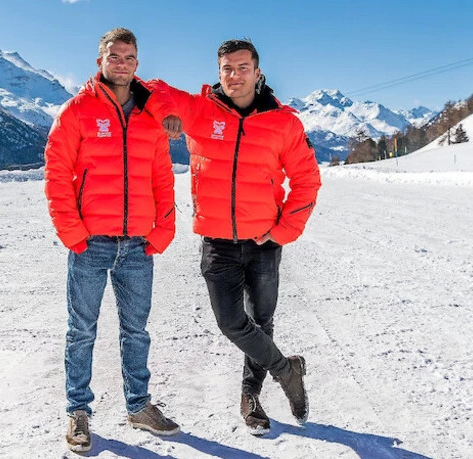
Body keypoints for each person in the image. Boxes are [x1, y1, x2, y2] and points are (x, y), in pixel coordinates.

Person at [150, 39, 321, 436]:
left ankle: (251, 396)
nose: (234, 75)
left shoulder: (284, 122)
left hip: (264, 242)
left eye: (243, 67)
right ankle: (287, 370)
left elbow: (307, 180)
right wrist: (167, 113)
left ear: (258, 72)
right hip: (218, 242)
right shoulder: (199, 109)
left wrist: (283, 230)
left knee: (262, 320)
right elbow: (150, 87)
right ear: (219, 72)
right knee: (232, 323)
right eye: (227, 68)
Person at [44, 27, 179, 452]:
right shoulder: (77, 110)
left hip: (138, 243)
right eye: (114, 56)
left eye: (129, 57)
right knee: (81, 330)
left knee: (136, 330)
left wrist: (164, 227)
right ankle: (78, 411)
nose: (122, 64)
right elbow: (57, 173)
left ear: (137, 63)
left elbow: (162, 176)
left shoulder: (149, 116)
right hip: (91, 242)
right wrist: (72, 231)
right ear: (100, 60)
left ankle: (138, 406)